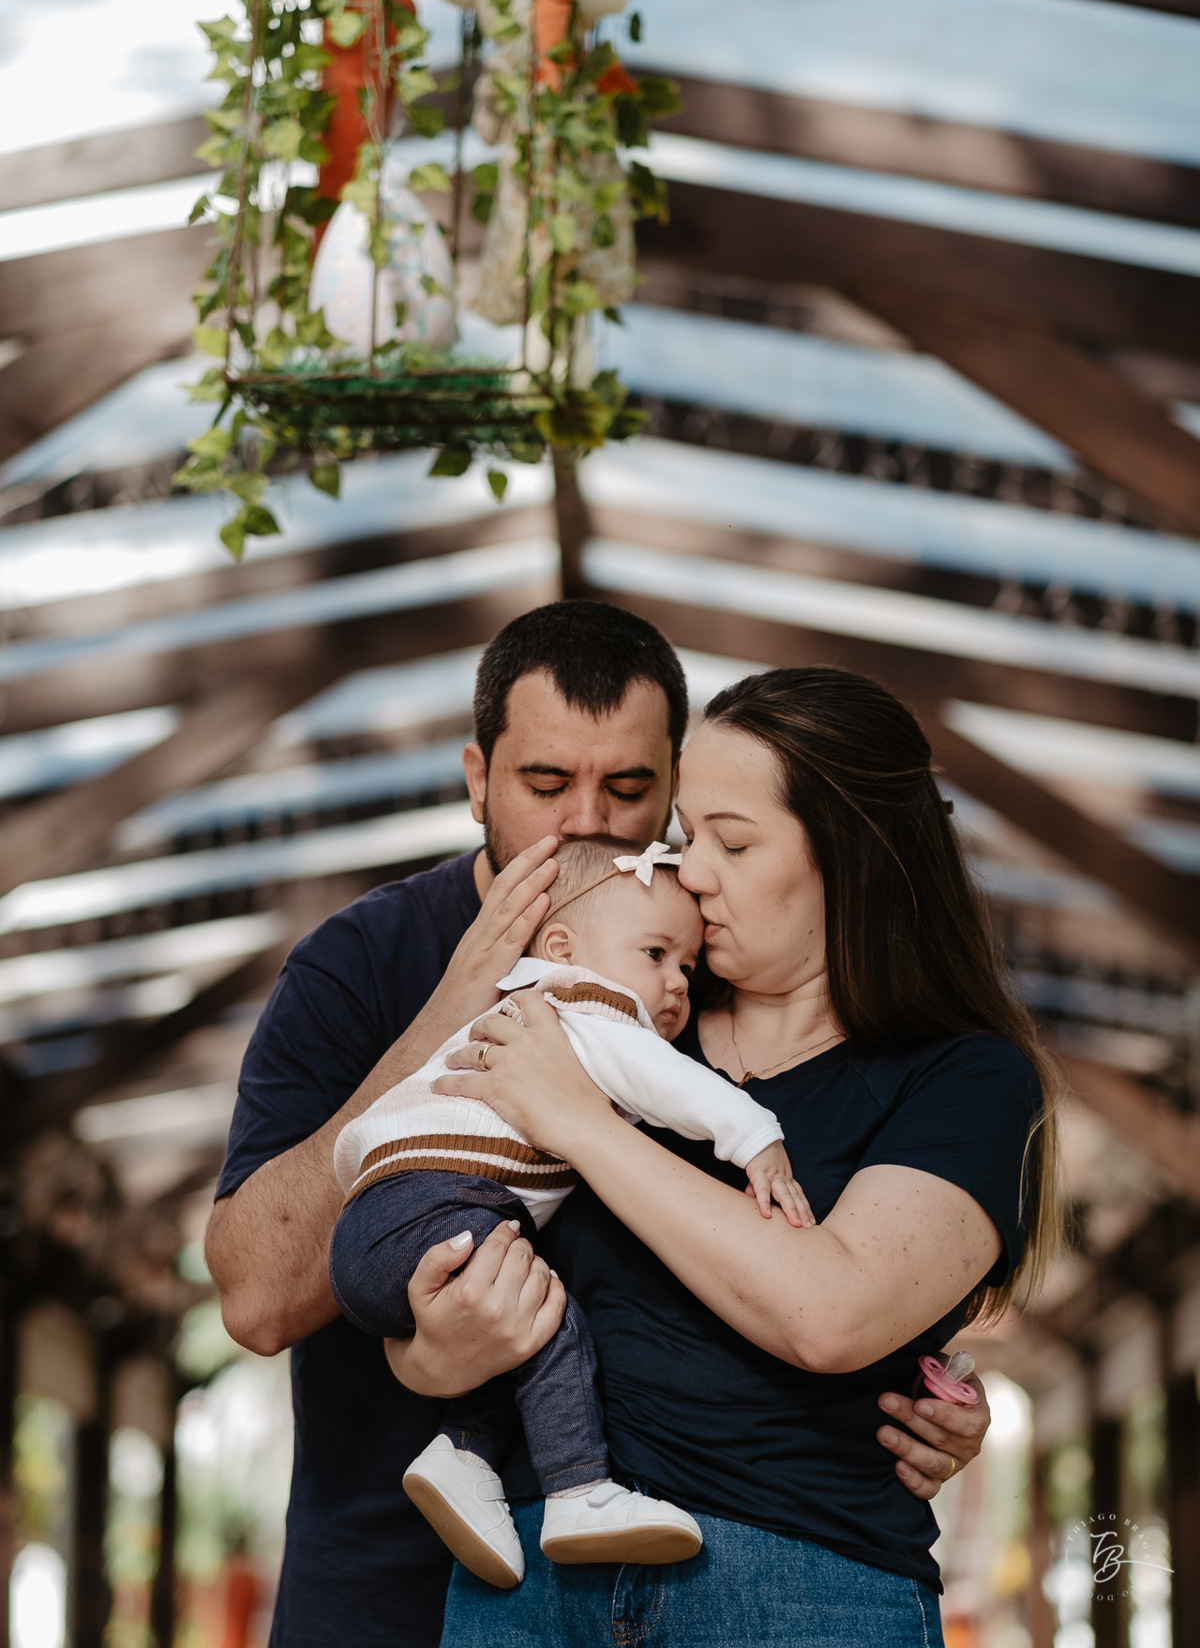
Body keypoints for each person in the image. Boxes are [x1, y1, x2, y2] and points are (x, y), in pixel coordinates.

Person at [206, 605, 994, 1648]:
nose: (589, 824)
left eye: (630, 789)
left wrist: (908, 1380)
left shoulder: (705, 961)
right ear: (476, 778)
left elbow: (823, 1198)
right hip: (384, 1578)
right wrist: (458, 1007)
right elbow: (256, 1301)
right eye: (544, 786)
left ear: (674, 783)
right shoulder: (357, 966)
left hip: (659, 1569)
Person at [429, 665, 1060, 1647]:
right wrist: (431, 1338)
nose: (689, 873)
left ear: (852, 853)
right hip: (534, 1569)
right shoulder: (629, 1018)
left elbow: (831, 1314)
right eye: (686, 838)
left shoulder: (965, 1078)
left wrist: (582, 1125)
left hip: (802, 1583)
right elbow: (442, 1199)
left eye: (731, 840)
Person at [330, 838, 805, 1588]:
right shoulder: (580, 1002)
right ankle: (580, 1491)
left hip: (377, 1222)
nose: (675, 983)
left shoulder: (520, 1010)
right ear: (563, 947)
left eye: (686, 965)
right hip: (436, 1201)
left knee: (510, 1317)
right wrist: (755, 1137)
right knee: (548, 1314)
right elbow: (665, 1082)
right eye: (654, 953)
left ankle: (465, 1459)